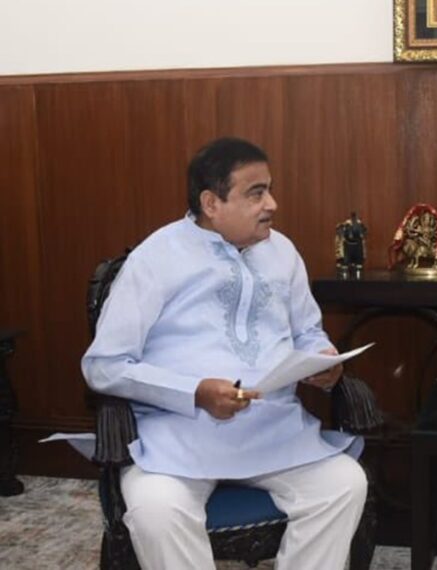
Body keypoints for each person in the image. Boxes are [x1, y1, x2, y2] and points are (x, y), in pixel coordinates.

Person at [82, 137, 368, 569]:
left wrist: (321, 362)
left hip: (276, 433)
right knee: (157, 509)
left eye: (269, 188)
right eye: (256, 193)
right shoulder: (155, 258)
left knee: (343, 485)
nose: (271, 203)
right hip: (177, 436)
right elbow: (103, 366)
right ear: (211, 203)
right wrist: (194, 392)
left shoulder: (282, 251)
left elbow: (309, 331)